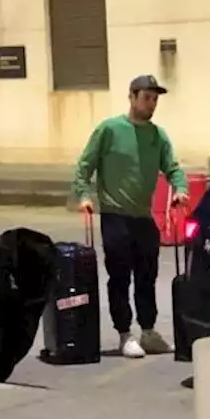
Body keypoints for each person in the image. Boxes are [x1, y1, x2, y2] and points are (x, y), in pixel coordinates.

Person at [73, 75, 188, 359]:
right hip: (115, 215)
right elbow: (84, 166)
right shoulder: (109, 130)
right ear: (132, 97)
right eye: (147, 98)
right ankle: (125, 333)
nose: (151, 104)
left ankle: (148, 331)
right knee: (120, 276)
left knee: (147, 275)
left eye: (155, 99)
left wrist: (180, 189)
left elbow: (173, 168)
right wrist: (84, 195)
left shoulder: (158, 136)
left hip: (142, 216)